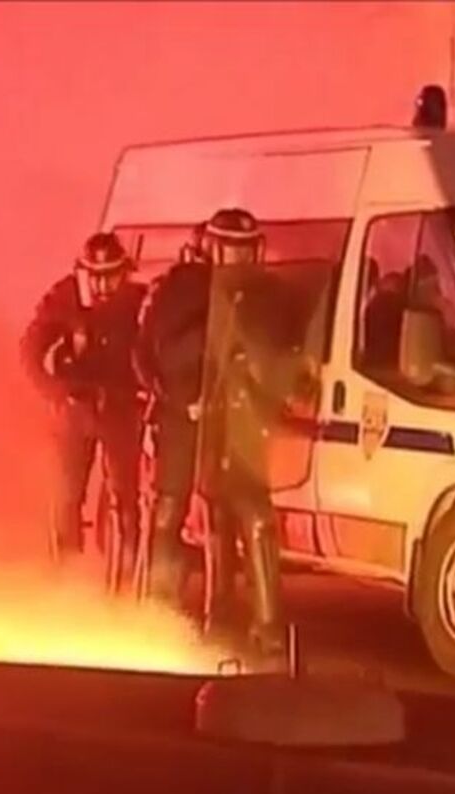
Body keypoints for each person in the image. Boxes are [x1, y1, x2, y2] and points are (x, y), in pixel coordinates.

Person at [194, 207, 308, 657]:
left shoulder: (271, 296)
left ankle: (268, 624)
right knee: (217, 524)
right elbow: (169, 352)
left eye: (245, 249)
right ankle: (219, 615)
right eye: (230, 248)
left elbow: (286, 354)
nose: (238, 258)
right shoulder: (195, 293)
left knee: (256, 520)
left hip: (249, 426)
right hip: (209, 428)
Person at [20, 233, 146, 582]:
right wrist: (55, 392)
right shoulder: (64, 298)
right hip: (75, 411)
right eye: (96, 276)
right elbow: (30, 349)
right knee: (68, 495)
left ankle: (127, 579)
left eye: (111, 276)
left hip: (121, 409)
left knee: (125, 498)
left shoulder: (138, 302)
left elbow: (154, 350)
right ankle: (68, 578)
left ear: (124, 272)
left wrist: (146, 393)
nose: (103, 285)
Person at [135, 224, 211, 609]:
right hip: (179, 419)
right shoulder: (170, 293)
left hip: (219, 416)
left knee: (219, 514)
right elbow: (144, 357)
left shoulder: (243, 293)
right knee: (170, 508)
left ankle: (207, 599)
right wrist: (177, 399)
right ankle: (161, 598)